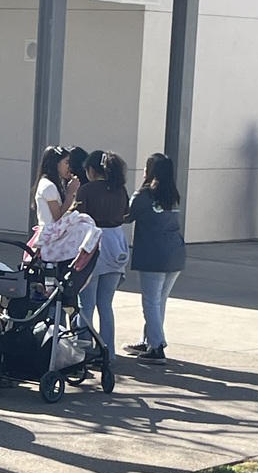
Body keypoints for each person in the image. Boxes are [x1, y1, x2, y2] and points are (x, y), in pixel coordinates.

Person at [123, 153, 185, 365]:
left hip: (154, 254)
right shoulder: (172, 195)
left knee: (150, 301)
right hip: (174, 254)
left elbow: (127, 216)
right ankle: (149, 340)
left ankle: (157, 346)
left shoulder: (144, 195)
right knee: (160, 301)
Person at [75, 151, 130, 362]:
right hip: (116, 243)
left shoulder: (86, 190)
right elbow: (125, 214)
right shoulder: (120, 190)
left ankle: (83, 350)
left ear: (91, 170)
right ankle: (109, 350)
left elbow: (78, 219)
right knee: (105, 304)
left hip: (93, 242)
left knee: (85, 305)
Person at [32, 145, 81, 228]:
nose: (69, 167)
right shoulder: (48, 186)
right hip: (50, 235)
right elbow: (58, 218)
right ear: (56, 164)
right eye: (66, 162)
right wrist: (70, 193)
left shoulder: (55, 184)